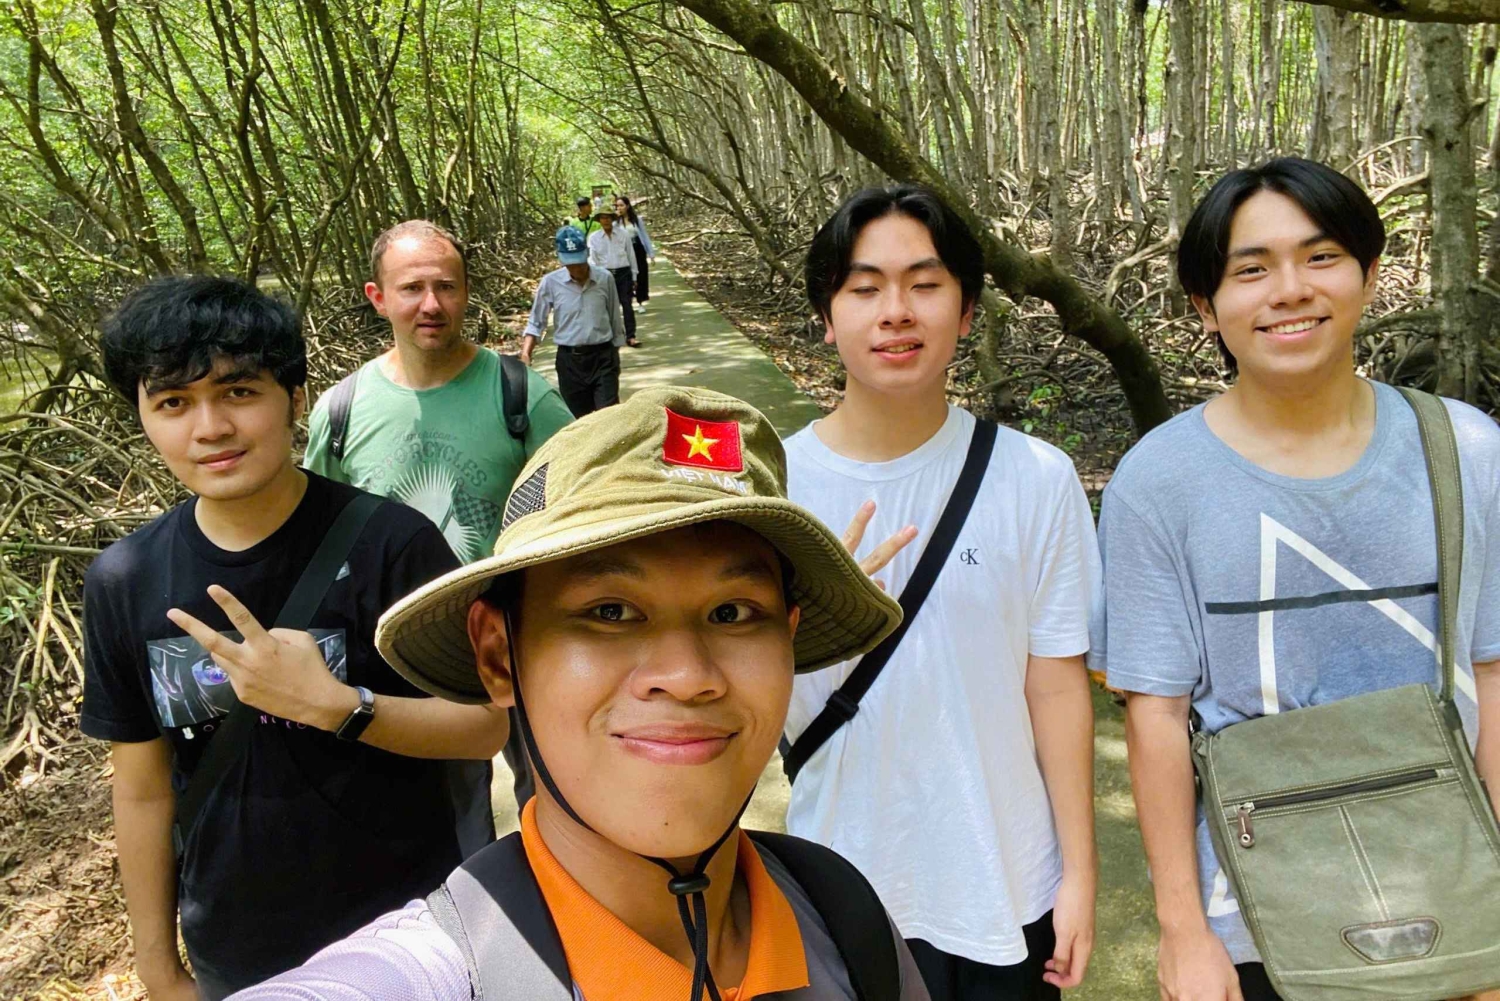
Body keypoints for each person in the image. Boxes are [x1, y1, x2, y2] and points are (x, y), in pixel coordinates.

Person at [230, 387, 934, 1001]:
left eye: (732, 612)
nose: (687, 674)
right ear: (499, 655)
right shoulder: (433, 973)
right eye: (610, 611)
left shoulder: (842, 920)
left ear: (789, 640)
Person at [1093, 158, 1500, 1001]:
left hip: (1456, 892)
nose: (1290, 290)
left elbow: (1493, 673)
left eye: (1320, 257)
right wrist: (1182, 930)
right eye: (1251, 269)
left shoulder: (1467, 450)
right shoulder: (1159, 481)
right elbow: (1156, 714)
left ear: (1369, 275)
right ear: (1206, 306)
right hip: (1253, 917)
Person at [81, 276, 510, 1000]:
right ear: (144, 419)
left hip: (411, 934)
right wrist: (158, 965)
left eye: (239, 391)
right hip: (237, 948)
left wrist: (340, 706)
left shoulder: (391, 543)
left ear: (296, 399)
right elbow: (144, 790)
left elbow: (486, 727)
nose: (210, 427)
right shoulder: (125, 579)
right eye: (174, 403)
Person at [781, 185, 1101, 1001]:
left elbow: (1057, 687)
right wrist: (814, 623)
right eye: (864, 288)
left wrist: (1081, 873)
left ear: (966, 312)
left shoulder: (1036, 477)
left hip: (1010, 886)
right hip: (839, 885)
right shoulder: (774, 492)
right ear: (827, 316)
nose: (896, 311)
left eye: (924, 284)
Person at [303, 218, 574, 833]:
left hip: (515, 634)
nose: (432, 305)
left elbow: (578, 505)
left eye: (446, 287)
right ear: (378, 298)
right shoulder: (341, 411)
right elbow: (319, 535)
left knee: (554, 798)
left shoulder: (520, 395)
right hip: (401, 651)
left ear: (466, 292)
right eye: (412, 289)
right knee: (445, 820)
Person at [521, 225, 626, 417]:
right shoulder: (550, 283)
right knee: (578, 421)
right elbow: (536, 322)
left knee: (609, 417)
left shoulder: (605, 279)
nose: (576, 269)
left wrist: (615, 353)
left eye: (579, 262)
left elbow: (614, 318)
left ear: (586, 254)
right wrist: (526, 354)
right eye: (570, 264)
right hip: (570, 362)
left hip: (603, 357)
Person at [587, 206, 641, 348]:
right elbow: (593, 259)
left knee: (627, 304)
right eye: (602, 218)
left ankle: (631, 336)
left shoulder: (623, 234)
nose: (605, 220)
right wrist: (595, 277)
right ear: (599, 220)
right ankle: (612, 336)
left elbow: (631, 255)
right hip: (604, 274)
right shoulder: (594, 238)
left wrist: (634, 276)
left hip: (623, 272)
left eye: (608, 217)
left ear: (612, 219)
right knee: (607, 307)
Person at [615, 194, 655, 310]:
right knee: (627, 275)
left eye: (621, 205)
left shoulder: (636, 220)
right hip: (624, 251)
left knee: (641, 275)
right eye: (617, 206)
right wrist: (614, 218)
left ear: (627, 206)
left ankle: (640, 301)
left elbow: (644, 236)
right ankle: (628, 301)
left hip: (638, 249)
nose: (619, 208)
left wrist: (651, 254)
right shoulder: (616, 222)